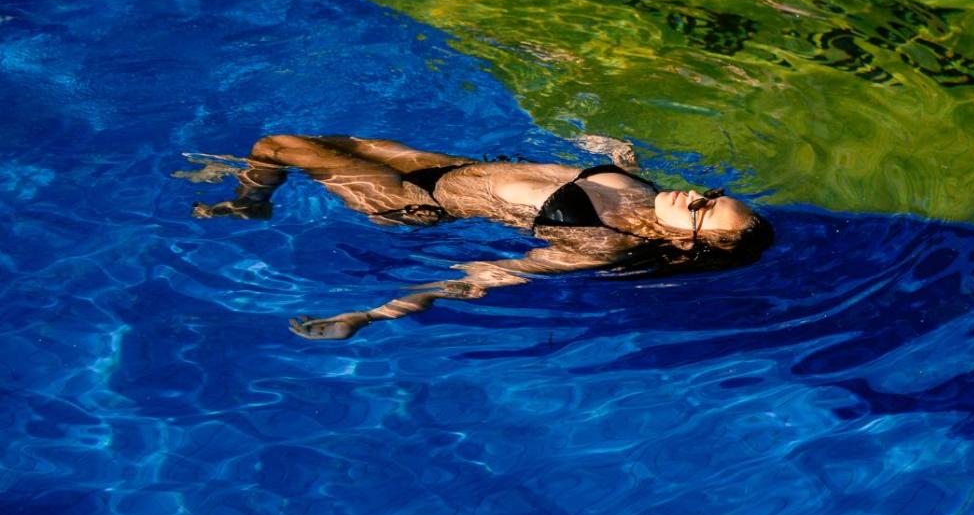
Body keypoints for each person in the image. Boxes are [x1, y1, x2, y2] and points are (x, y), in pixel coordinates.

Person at [191, 134, 772, 340]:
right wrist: (615, 150)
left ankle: (249, 203)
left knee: (276, 144)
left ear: (688, 244)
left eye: (702, 211)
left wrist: (368, 316)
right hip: (447, 165)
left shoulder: (602, 244)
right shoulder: (651, 193)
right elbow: (606, 161)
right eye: (710, 194)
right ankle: (250, 195)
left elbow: (481, 279)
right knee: (320, 142)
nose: (694, 196)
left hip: (412, 201)